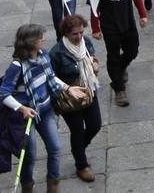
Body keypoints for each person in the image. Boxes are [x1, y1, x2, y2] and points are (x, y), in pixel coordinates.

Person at [0, 23, 86, 193]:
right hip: (26, 117)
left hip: (45, 110)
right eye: (40, 38)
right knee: (29, 156)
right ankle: (27, 187)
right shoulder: (17, 67)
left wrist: (68, 88)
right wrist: (22, 109)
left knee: (56, 148)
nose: (43, 40)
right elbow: (3, 95)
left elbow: (50, 77)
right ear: (30, 42)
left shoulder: (44, 55)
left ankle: (53, 185)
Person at [89, 0, 147, 107]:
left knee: (133, 50)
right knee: (113, 57)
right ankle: (119, 88)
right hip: (110, 26)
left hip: (128, 21)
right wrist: (95, 28)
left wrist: (142, 15)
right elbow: (95, 8)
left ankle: (119, 69)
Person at [48, 14, 102, 184]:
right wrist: (66, 89)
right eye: (74, 34)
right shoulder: (56, 53)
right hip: (70, 98)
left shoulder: (86, 42)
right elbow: (51, 77)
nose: (79, 37)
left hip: (88, 91)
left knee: (95, 125)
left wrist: (95, 66)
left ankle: (78, 149)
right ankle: (81, 164)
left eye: (80, 32)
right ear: (66, 34)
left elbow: (91, 60)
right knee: (77, 130)